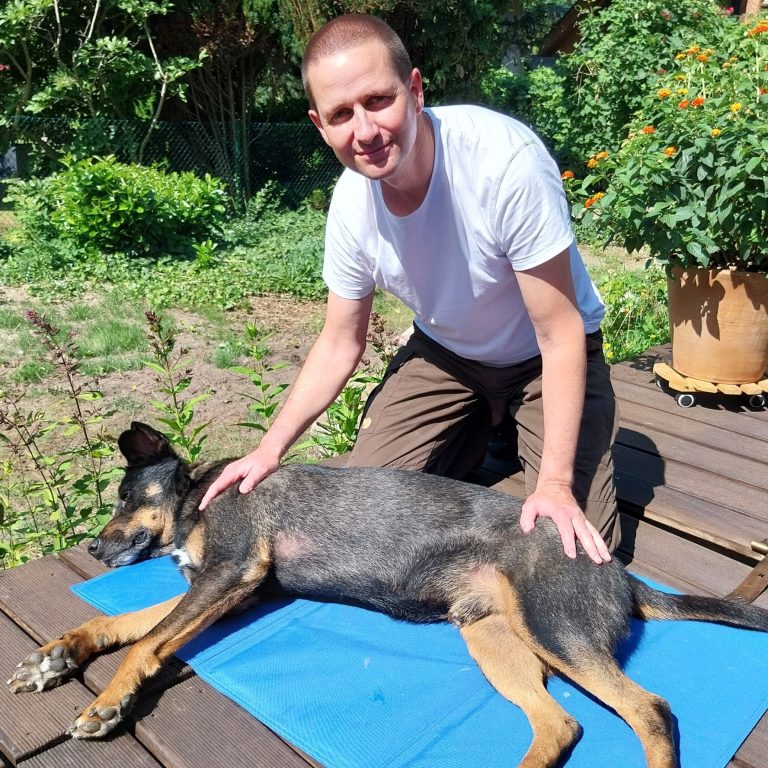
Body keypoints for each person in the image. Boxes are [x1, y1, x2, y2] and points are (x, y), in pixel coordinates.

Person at [200, 13, 620, 564]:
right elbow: (340, 341)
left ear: (415, 90)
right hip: (448, 357)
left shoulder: (503, 163)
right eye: (341, 114)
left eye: (378, 100)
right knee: (364, 517)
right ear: (320, 125)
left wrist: (557, 486)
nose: (365, 131)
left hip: (543, 359)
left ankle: (513, 425)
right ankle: (482, 421)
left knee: (570, 549)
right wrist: (268, 448)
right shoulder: (351, 206)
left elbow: (560, 333)